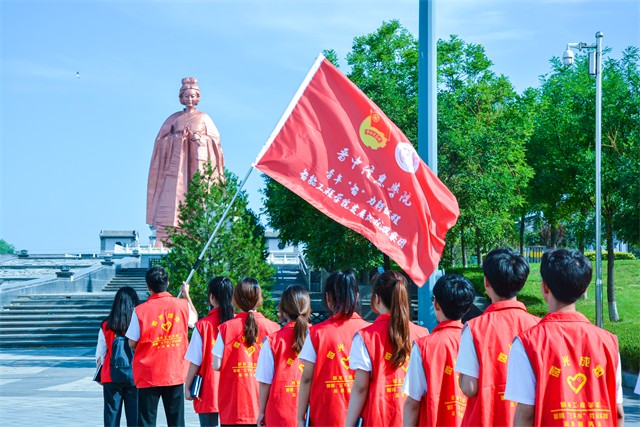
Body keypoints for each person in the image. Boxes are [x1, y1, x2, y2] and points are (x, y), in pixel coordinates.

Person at [505, 249, 624, 426]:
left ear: (545, 287)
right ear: (584, 289)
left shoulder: (528, 343)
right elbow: (618, 413)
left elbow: (525, 414)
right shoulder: (608, 342)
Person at [455, 248, 539, 427]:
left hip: (487, 418)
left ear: (486, 283)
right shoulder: (539, 327)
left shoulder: (474, 327)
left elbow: (469, 388)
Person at [146, 76, 225, 246]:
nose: (189, 99)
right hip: (177, 167)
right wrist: (177, 139)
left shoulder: (204, 118)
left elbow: (215, 142)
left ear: (197, 98)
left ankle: (198, 230)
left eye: (192, 96)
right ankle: (170, 231)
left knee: (199, 197)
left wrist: (199, 139)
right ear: (181, 98)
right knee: (172, 198)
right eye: (186, 96)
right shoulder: (174, 119)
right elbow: (160, 141)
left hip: (198, 165)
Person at [346, 270, 429, 427]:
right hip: (414, 419)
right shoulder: (423, 334)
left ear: (376, 299)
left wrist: (349, 424)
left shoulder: (365, 337)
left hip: (378, 418)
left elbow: (360, 388)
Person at [297, 268, 371, 427]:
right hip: (362, 417)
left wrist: (299, 417)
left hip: (325, 416)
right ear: (356, 296)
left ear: (328, 298)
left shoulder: (316, 333)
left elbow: (307, 379)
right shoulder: (370, 333)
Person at [125, 266, 198, 427]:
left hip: (148, 373)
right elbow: (194, 320)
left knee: (146, 420)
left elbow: (131, 342)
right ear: (168, 283)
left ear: (148, 287)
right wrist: (187, 296)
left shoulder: (140, 311)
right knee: (176, 420)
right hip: (174, 371)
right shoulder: (182, 306)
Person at [403, 274, 476, 427]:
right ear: (468, 308)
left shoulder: (423, 346)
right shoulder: (478, 342)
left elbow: (412, 402)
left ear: (436, 304)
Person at [212, 277, 280, 426]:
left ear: (235, 300)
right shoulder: (273, 328)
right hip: (264, 406)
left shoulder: (226, 328)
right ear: (259, 299)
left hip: (233, 406)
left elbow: (216, 364)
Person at [256, 285, 311, 427]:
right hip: (312, 413)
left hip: (279, 414)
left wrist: (261, 412)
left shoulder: (272, 341)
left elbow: (265, 382)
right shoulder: (319, 336)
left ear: (283, 311)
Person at [184, 276, 235, 427]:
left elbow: (195, 361)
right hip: (235, 389)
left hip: (209, 389)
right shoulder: (239, 324)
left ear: (212, 297)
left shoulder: (202, 326)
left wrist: (187, 387)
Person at [96, 286, 141, 427]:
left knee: (111, 417)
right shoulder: (139, 323)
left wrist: (100, 374)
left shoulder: (106, 325)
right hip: (135, 376)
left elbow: (100, 354)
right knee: (135, 418)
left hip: (111, 375)